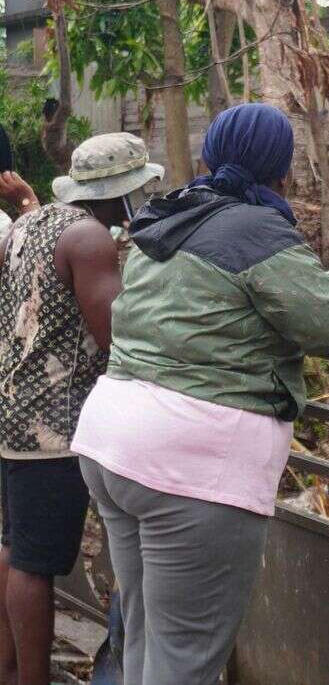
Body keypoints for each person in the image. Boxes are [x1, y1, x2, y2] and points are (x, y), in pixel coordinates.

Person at [71, 104, 329, 685]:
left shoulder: (169, 218)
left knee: (145, 634)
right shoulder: (258, 229)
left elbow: (247, 288)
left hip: (110, 443)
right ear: (280, 168)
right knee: (184, 659)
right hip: (187, 467)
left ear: (211, 156)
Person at [0, 134, 160, 685]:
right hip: (59, 428)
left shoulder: (28, 224)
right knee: (34, 564)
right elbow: (117, 336)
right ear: (122, 193)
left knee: (15, 550)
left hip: (15, 415)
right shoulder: (88, 236)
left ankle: (13, 670)